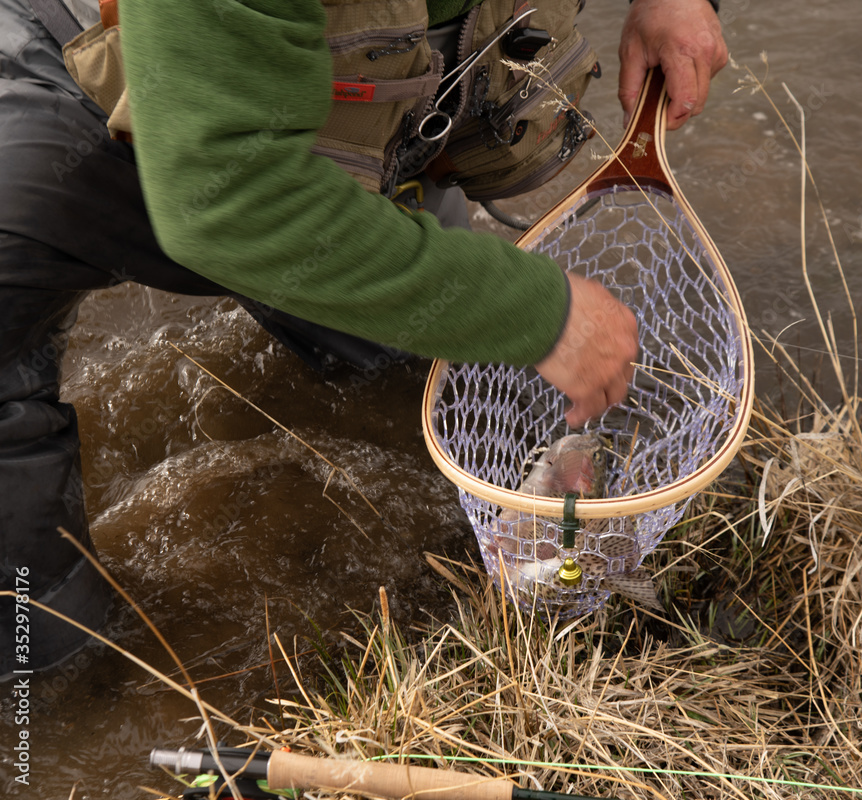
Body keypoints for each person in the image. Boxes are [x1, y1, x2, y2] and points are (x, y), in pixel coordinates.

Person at [0, 0, 727, 678]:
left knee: (419, 381)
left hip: (341, 132)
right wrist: (539, 312)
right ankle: (41, 692)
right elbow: (224, 195)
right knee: (39, 641)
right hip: (80, 104)